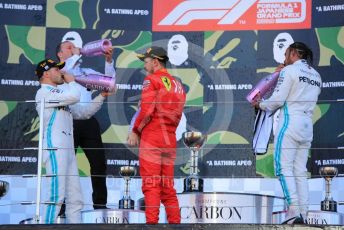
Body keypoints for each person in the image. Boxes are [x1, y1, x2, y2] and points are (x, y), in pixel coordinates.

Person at [254, 42, 322, 224]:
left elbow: (277, 100)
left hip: (290, 122)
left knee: (283, 169)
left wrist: (260, 104)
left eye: (286, 54)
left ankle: (293, 212)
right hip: (307, 125)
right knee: (300, 171)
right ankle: (304, 215)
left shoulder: (289, 71)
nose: (284, 58)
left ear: (293, 53)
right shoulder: (316, 75)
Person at [127, 46, 186, 224]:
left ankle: (151, 226)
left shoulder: (151, 79)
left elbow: (147, 111)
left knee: (151, 186)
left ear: (155, 61)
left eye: (145, 62)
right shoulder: (178, 85)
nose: (144, 66)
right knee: (168, 188)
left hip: (152, 136)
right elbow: (176, 113)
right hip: (170, 138)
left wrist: (135, 130)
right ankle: (176, 226)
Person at [56, 37, 116, 209]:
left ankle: (100, 206)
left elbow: (109, 82)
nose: (74, 49)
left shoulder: (86, 71)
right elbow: (67, 72)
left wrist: (108, 60)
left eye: (74, 47)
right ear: (60, 54)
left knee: (99, 164)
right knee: (65, 165)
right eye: (69, 48)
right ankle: (60, 207)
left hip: (89, 122)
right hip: (68, 123)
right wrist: (77, 53)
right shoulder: (59, 72)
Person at [35, 58, 83, 223]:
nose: (61, 72)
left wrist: (102, 97)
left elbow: (83, 113)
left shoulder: (61, 93)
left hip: (68, 151)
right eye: (57, 70)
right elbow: (74, 96)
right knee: (56, 195)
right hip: (55, 149)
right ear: (46, 74)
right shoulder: (44, 92)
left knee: (76, 198)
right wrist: (72, 82)